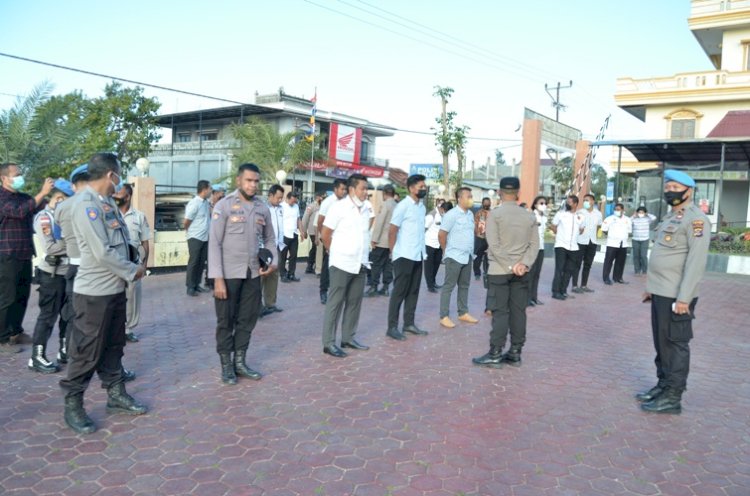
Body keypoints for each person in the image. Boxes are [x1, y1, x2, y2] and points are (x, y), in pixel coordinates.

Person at [60, 152, 147, 434]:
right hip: (93, 293)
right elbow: (101, 252)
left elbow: (121, 242)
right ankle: (73, 404)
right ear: (111, 175)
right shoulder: (85, 206)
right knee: (86, 351)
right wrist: (132, 270)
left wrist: (131, 265)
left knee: (113, 346)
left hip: (114, 290)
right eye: (119, 175)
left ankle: (116, 395)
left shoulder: (107, 202)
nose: (120, 181)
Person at [638, 170, 710, 414]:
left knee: (675, 345)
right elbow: (661, 255)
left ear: (688, 191)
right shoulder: (670, 218)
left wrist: (684, 298)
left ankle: (673, 397)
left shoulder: (696, 220)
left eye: (675, 187)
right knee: (661, 344)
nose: (670, 191)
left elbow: (696, 262)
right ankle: (663, 385)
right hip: (660, 292)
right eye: (667, 187)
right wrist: (651, 288)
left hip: (677, 296)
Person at [208, 163, 277, 385]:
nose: (253, 184)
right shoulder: (224, 206)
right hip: (228, 275)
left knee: (247, 320)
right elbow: (214, 244)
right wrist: (217, 278)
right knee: (226, 321)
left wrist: (272, 261)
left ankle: (240, 362)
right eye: (249, 180)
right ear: (239, 181)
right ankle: (226, 366)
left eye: (256, 181)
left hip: (253, 274)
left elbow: (270, 239)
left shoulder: (262, 208)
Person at [473, 177, 539, 368]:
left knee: (500, 312)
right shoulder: (529, 216)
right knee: (519, 312)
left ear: (500, 192)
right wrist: (523, 265)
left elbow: (493, 245)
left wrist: (511, 266)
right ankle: (516, 352)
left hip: (500, 271)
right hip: (521, 272)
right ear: (518, 193)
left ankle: (495, 353)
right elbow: (535, 245)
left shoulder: (495, 215)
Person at [0, 163, 54, 354]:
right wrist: (42, 192)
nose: (20, 177)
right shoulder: (2, 197)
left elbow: (36, 205)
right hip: (7, 253)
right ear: (4, 178)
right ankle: (2, 338)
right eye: (16, 174)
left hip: (24, 253)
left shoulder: (21, 197)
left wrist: (51, 194)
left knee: (22, 295)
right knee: (8, 297)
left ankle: (16, 331)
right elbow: (19, 211)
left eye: (21, 173)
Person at [320, 174, 372, 357]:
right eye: (363, 188)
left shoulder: (366, 208)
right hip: (341, 263)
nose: (366, 192)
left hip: (360, 263)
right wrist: (334, 252)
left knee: (354, 302)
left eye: (366, 188)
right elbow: (325, 234)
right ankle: (328, 343)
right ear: (352, 189)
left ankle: (348, 337)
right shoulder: (339, 208)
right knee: (335, 303)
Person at [28, 180, 74, 372]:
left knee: (68, 315)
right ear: (59, 198)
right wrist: (74, 244)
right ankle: (37, 357)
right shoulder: (45, 218)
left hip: (68, 273)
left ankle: (64, 350)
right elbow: (51, 247)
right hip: (51, 274)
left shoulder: (67, 218)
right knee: (48, 317)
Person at [386, 174, 429, 341]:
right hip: (403, 255)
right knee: (399, 292)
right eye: (421, 187)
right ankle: (392, 327)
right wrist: (393, 252)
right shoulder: (403, 206)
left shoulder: (421, 207)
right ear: (411, 188)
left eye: (424, 186)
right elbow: (392, 230)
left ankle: (409, 323)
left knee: (414, 290)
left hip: (418, 254)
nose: (424, 189)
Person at [113, 183, 151, 343]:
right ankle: (114, 328)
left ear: (127, 196)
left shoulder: (139, 216)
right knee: (114, 297)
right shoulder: (110, 214)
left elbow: (145, 242)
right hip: (114, 262)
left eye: (118, 193)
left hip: (133, 262)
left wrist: (144, 264)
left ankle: (128, 329)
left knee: (133, 297)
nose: (115, 196)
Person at [438, 188, 478, 328]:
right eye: (469, 196)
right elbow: (442, 235)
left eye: (471, 196)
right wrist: (446, 252)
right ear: (460, 198)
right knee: (449, 286)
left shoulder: (470, 215)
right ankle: (444, 316)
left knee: (464, 285)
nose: (471, 198)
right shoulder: (451, 215)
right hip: (454, 256)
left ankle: (463, 312)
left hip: (467, 256)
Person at [317, 179, 347, 304]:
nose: (344, 191)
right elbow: (320, 221)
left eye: (346, 189)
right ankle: (323, 291)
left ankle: (338, 292)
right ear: (335, 189)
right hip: (330, 239)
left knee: (340, 267)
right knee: (327, 266)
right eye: (342, 189)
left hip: (342, 239)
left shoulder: (346, 203)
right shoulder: (328, 202)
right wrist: (324, 238)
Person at [550, 195, 584, 301]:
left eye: (569, 202)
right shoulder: (561, 214)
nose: (567, 204)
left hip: (574, 247)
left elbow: (582, 229)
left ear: (575, 204)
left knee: (569, 270)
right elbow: (553, 225)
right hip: (561, 245)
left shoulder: (581, 216)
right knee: (559, 269)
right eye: (567, 202)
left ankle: (563, 290)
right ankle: (555, 292)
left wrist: (578, 231)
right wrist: (559, 234)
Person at [366, 185, 397, 297]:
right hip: (392, 242)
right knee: (388, 265)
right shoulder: (397, 206)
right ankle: (385, 287)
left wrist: (374, 239)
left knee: (376, 264)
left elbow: (379, 223)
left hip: (382, 241)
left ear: (385, 194)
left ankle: (374, 286)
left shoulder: (385, 205)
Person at [261, 184, 286, 317]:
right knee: (261, 275)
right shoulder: (262, 208)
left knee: (274, 275)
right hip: (264, 247)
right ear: (270, 195)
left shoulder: (281, 209)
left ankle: (270, 303)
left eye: (281, 198)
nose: (280, 200)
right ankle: (257, 305)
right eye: (278, 197)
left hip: (277, 246)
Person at [571, 193, 602, 294]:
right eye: (584, 200)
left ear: (593, 201)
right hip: (580, 241)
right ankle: (575, 286)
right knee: (577, 264)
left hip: (592, 241)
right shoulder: (580, 212)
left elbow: (598, 226)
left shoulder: (598, 214)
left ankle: (584, 285)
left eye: (587, 200)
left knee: (588, 264)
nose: (585, 202)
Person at [184, 180, 211, 296]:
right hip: (195, 237)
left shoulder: (206, 203)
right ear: (204, 190)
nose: (211, 191)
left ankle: (196, 284)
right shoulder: (194, 203)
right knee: (194, 262)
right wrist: (190, 232)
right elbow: (186, 221)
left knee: (201, 262)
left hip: (205, 237)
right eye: (209, 189)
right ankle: (190, 287)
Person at [601, 203, 632, 285]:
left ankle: (618, 278)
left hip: (623, 243)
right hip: (612, 243)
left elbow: (629, 231)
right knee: (608, 262)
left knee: (620, 262)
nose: (616, 211)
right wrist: (611, 235)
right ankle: (606, 278)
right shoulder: (609, 219)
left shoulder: (627, 220)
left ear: (622, 210)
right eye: (615, 209)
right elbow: (604, 229)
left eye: (618, 209)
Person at [279, 191, 305, 282]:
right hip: (284, 235)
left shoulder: (296, 206)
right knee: (283, 256)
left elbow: (298, 219)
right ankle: (282, 275)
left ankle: (291, 274)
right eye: (292, 201)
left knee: (293, 256)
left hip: (294, 234)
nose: (294, 203)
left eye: (295, 201)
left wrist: (302, 232)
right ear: (288, 198)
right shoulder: (281, 207)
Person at [527, 196, 548, 307]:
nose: (543, 205)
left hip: (541, 248)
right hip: (532, 248)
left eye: (545, 203)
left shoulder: (544, 218)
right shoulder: (531, 216)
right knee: (530, 273)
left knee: (537, 274)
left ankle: (534, 297)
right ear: (535, 204)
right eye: (541, 203)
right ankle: (528, 298)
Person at [423, 201, 445, 293]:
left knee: (436, 264)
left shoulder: (444, 216)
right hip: (429, 244)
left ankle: (433, 281)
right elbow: (424, 228)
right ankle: (430, 285)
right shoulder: (431, 215)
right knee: (429, 266)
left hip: (439, 244)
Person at [631, 206, 656, 276]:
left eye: (642, 212)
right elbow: (628, 221)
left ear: (645, 213)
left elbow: (654, 218)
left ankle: (644, 269)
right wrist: (634, 215)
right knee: (636, 256)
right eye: (639, 212)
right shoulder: (634, 219)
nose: (640, 214)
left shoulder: (647, 219)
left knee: (643, 255)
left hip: (645, 240)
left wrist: (647, 214)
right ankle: (637, 270)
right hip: (635, 239)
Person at [301, 192, 322, 274]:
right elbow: (305, 218)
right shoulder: (312, 206)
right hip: (313, 231)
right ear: (317, 197)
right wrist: (304, 230)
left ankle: (312, 265)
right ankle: (310, 265)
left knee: (316, 248)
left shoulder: (322, 206)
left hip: (320, 231)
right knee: (315, 247)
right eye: (321, 197)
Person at [472, 197, 491, 281]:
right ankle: (477, 273)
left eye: (488, 203)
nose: (487, 204)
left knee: (488, 257)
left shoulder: (493, 213)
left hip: (490, 238)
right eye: (485, 203)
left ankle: (486, 272)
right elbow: (476, 225)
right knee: (478, 257)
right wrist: (477, 233)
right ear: (482, 203)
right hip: (480, 237)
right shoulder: (479, 213)